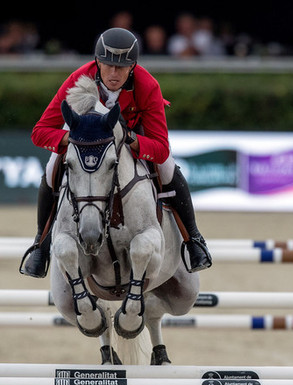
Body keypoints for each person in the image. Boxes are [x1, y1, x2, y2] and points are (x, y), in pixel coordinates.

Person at [20, 27, 212, 278]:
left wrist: (129, 139)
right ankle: (41, 244)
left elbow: (161, 148)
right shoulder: (79, 79)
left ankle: (193, 240)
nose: (114, 73)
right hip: (85, 140)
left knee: (168, 168)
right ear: (97, 61)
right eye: (108, 65)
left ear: (132, 66)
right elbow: (40, 132)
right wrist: (73, 138)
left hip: (131, 138)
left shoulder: (147, 85)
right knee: (51, 166)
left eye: (121, 67)